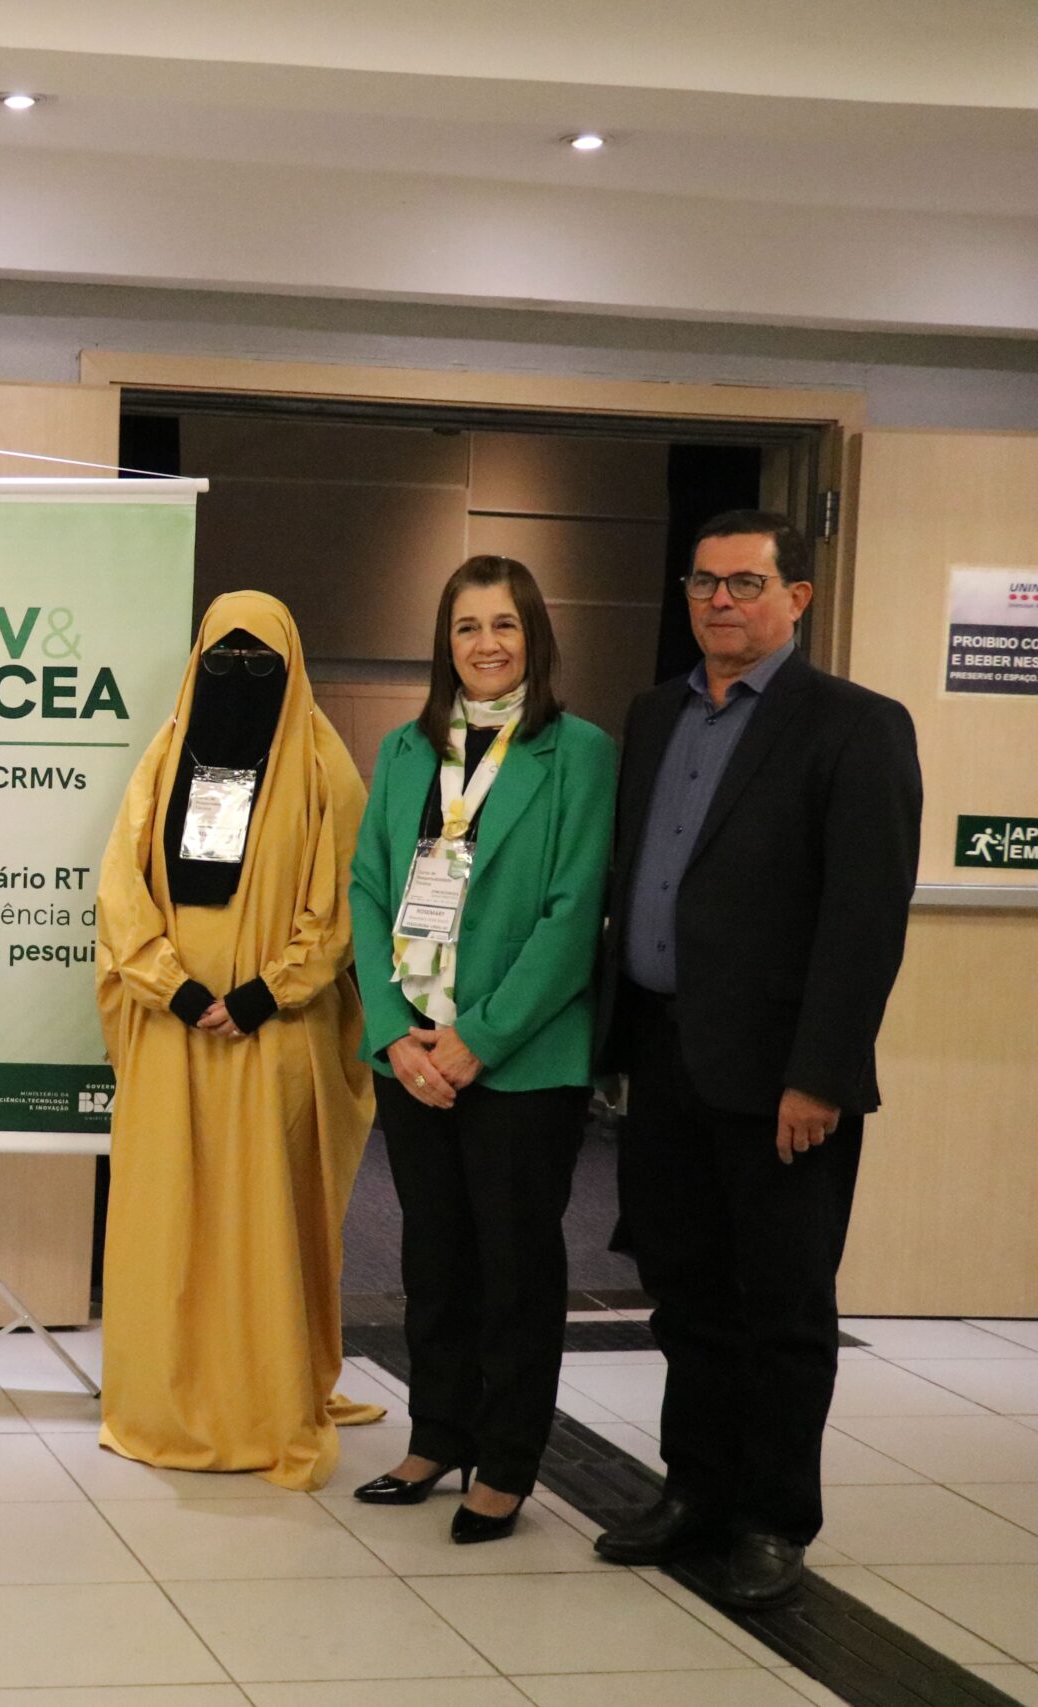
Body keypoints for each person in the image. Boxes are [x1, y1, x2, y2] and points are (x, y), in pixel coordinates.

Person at [591, 512, 921, 1608]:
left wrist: (820, 1074)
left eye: (743, 583)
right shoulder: (653, 715)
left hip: (783, 1077)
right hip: (663, 1054)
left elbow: (862, 920)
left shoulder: (853, 728)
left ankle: (775, 1518)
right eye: (702, 582)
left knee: (779, 1307)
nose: (719, 602)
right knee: (684, 1295)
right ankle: (695, 1490)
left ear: (799, 598)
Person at [346, 556, 616, 1542]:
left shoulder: (576, 754)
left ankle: (507, 1456)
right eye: (466, 627)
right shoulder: (405, 750)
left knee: (513, 1265)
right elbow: (367, 891)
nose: (486, 644)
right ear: (443, 642)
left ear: (533, 636)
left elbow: (570, 914)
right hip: (408, 1053)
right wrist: (390, 1030)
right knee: (434, 1258)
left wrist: (477, 1041)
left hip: (518, 1061)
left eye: (504, 624)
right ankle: (439, 1431)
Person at [95, 589, 384, 1491]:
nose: (241, 678)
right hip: (173, 1036)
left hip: (273, 1042)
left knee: (264, 1219)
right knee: (170, 1217)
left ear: (294, 668)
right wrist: (174, 986)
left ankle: (265, 1396)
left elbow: (344, 905)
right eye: (223, 660)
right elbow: (120, 891)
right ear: (195, 664)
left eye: (263, 663)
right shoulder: (164, 758)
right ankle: (162, 1397)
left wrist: (267, 991)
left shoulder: (326, 770)